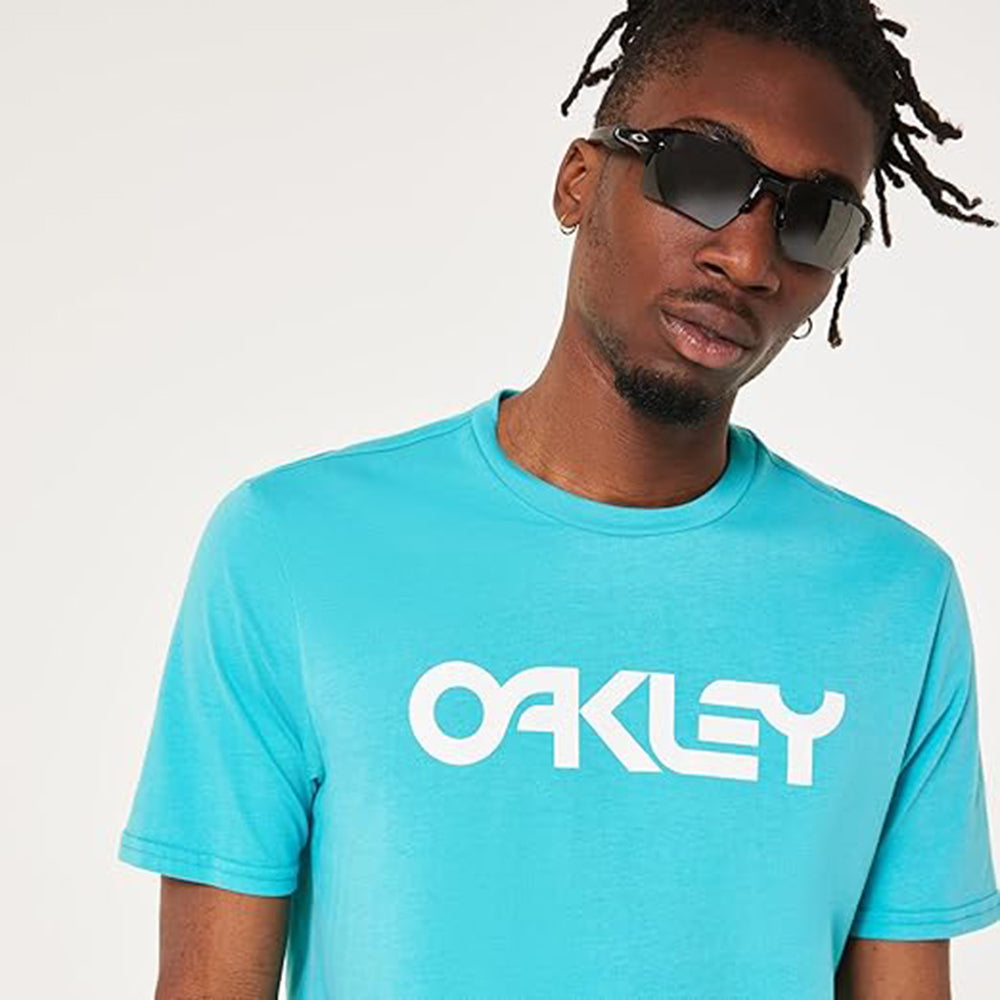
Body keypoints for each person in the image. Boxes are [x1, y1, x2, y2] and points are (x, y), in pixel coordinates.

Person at [117, 2, 1000, 997]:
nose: (749, 260)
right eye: (701, 174)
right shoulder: (293, 548)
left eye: (814, 217)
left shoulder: (895, 599)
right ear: (579, 182)